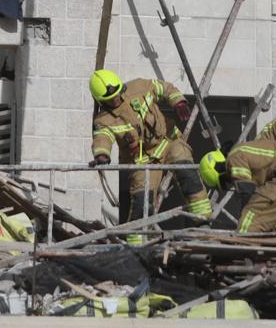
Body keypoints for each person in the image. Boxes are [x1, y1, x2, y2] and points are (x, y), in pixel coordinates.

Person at [88, 70, 212, 245]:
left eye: (117, 94)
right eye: (110, 99)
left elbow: (165, 88)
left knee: (186, 173)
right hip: (143, 159)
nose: (115, 100)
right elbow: (102, 138)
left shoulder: (140, 86)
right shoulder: (104, 120)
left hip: (169, 141)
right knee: (142, 202)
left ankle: (203, 222)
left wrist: (178, 101)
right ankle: (136, 244)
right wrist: (101, 154)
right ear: (100, 100)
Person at [200, 138, 276, 233]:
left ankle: (245, 260)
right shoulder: (250, 151)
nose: (231, 184)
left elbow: (246, 193)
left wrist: (246, 216)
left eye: (225, 182)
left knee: (249, 221)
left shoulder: (234, 156)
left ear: (219, 168)